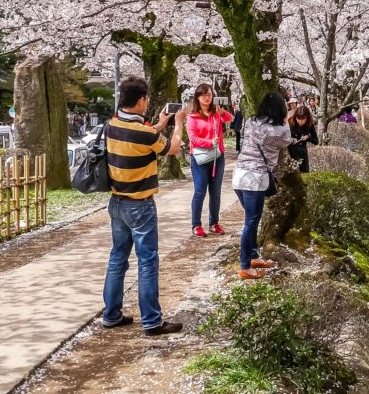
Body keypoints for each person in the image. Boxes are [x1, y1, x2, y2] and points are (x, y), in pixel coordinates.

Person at [102, 76, 182, 335]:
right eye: (145, 98)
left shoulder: (111, 125)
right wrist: (178, 124)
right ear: (140, 100)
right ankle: (152, 321)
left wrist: (160, 123)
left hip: (117, 202)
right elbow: (171, 148)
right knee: (147, 261)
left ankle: (111, 315)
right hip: (140, 204)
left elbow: (141, 138)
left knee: (118, 259)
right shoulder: (144, 132)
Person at [232, 92, 294, 279]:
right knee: (250, 222)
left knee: (254, 219)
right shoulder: (279, 131)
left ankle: (253, 255)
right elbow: (288, 141)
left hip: (239, 175)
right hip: (255, 178)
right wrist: (287, 118)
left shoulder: (250, 122)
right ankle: (245, 266)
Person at [183, 83, 234, 238]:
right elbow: (193, 139)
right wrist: (209, 142)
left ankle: (214, 223)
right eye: (204, 95)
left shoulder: (216, 113)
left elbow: (230, 118)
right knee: (200, 191)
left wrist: (223, 112)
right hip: (200, 158)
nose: (207, 97)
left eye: (210, 94)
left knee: (216, 191)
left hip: (217, 157)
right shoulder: (192, 117)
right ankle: (196, 224)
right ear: (197, 97)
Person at [289, 105, 320, 173]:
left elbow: (316, 141)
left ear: (307, 118)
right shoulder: (291, 123)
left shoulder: (309, 125)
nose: (300, 121)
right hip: (291, 152)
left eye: (303, 119)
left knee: (305, 174)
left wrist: (308, 137)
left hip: (302, 152)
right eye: (298, 118)